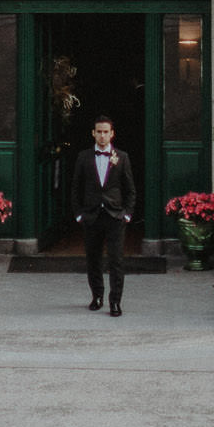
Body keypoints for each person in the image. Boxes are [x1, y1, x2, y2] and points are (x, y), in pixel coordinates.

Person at [69, 115, 137, 315]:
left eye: (106, 132)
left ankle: (115, 301)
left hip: (114, 215)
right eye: (98, 131)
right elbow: (75, 188)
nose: (102, 135)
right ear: (93, 133)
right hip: (91, 215)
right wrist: (79, 214)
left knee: (116, 260)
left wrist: (127, 214)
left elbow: (130, 189)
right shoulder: (84, 157)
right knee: (93, 259)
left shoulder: (122, 157)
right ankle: (97, 296)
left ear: (112, 134)